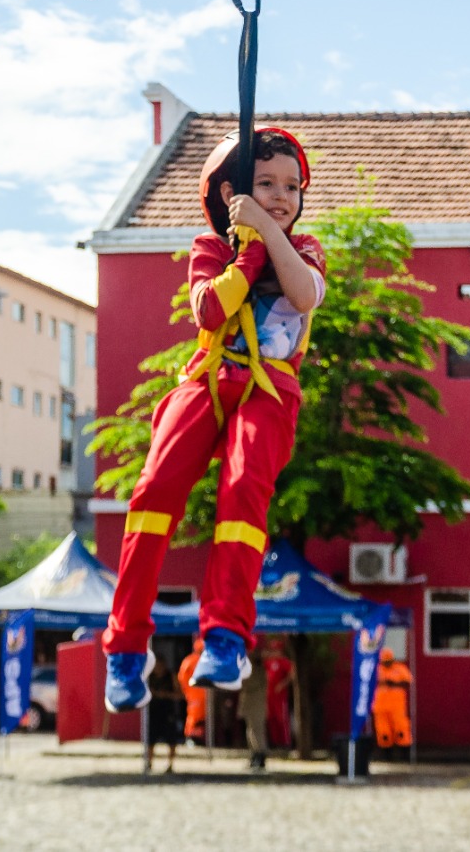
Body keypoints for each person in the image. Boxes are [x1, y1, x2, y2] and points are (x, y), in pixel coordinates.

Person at [103, 126, 326, 711]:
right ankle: (125, 647)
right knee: (153, 492)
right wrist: (246, 249)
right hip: (207, 376)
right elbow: (210, 310)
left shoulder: (304, 250)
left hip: (268, 387)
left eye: (292, 187)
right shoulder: (211, 249)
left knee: (244, 489)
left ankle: (225, 637)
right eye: (266, 184)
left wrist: (266, 233)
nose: (282, 196)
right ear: (231, 193)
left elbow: (303, 296)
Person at [372, 647, 414, 756]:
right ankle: (387, 755)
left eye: (388, 661)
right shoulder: (376, 670)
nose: (387, 663)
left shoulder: (400, 669)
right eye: (384, 661)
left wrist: (393, 683)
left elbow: (408, 682)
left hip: (397, 706)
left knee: (401, 730)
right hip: (380, 707)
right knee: (383, 731)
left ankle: (404, 754)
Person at [144, 655, 182, 773]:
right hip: (153, 712)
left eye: (160, 665)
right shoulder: (149, 677)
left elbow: (180, 695)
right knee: (150, 740)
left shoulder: (171, 677)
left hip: (168, 713)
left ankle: (170, 764)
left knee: (171, 739)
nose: (158, 668)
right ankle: (149, 762)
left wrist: (164, 695)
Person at [262, 636, 296, 750]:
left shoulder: (284, 662)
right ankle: (274, 742)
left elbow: (292, 672)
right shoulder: (269, 662)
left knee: (282, 718)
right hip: (269, 695)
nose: (274, 652)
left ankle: (285, 742)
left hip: (280, 696)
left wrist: (282, 684)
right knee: (271, 719)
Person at [239, 650, 270, 771]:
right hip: (250, 703)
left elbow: (246, 683)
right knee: (250, 730)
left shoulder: (256, 671)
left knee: (257, 730)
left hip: (256, 704)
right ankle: (254, 754)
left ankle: (260, 755)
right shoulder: (250, 670)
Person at [177, 638, 207, 743]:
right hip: (194, 694)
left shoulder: (206, 660)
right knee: (194, 716)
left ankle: (200, 737)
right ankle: (190, 736)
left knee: (203, 717)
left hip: (204, 695)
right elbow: (182, 677)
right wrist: (187, 690)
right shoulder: (190, 660)